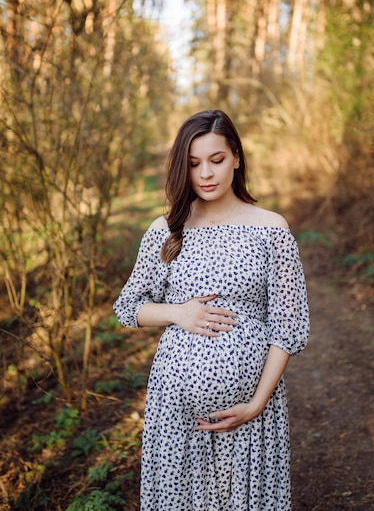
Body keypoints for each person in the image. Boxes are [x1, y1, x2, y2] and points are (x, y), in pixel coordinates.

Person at [113, 109, 309, 511]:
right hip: (175, 412)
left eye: (216, 160)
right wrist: (176, 313)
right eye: (193, 164)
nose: (205, 173)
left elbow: (289, 326)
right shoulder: (166, 230)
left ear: (236, 157)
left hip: (253, 413)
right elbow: (127, 308)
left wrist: (257, 403)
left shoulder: (271, 228)